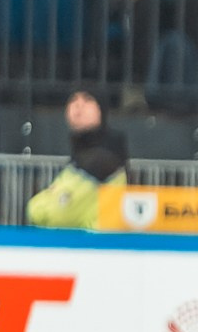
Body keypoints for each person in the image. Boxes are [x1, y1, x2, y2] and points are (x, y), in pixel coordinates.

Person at [27, 89, 129, 228]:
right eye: (73, 100)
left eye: (87, 100)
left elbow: (57, 214)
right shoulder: (81, 156)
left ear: (101, 110)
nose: (78, 106)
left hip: (97, 245)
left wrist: (43, 202)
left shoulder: (103, 158)